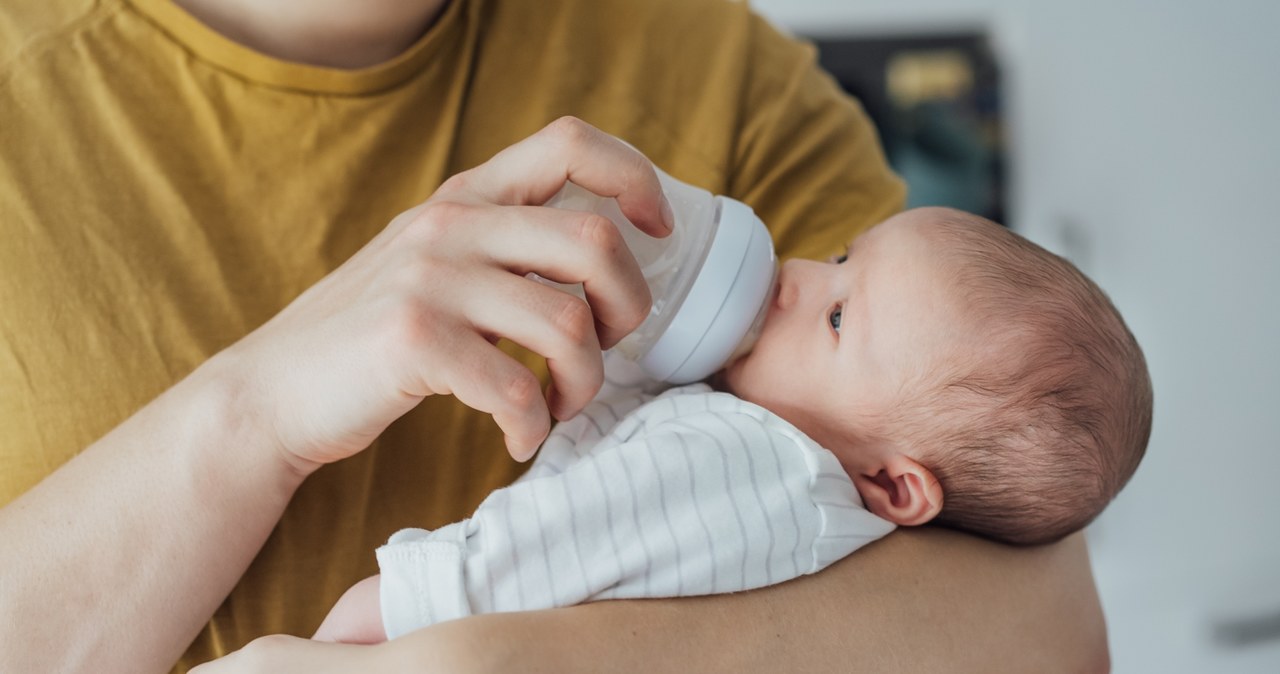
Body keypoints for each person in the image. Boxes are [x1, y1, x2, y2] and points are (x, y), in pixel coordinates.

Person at [0, 0, 1112, 672]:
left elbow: (1045, 621)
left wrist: (488, 659)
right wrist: (252, 414)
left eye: (834, 300)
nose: (799, 277)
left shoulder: (712, 66)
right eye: (834, 268)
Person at [309, 206, 1151, 644]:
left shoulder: (758, 463)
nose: (797, 276)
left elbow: (546, 551)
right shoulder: (785, 460)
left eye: (836, 317)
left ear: (893, 486)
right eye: (842, 259)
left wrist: (384, 611)